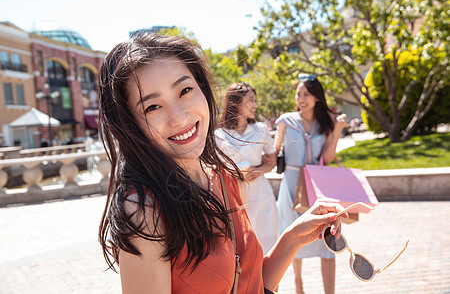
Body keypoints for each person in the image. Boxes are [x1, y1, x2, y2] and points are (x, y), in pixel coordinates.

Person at [98, 34, 348, 293]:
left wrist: (293, 237)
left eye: (185, 91)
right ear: (130, 125)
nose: (180, 117)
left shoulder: (225, 179)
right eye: (152, 107)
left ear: (202, 90)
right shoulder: (144, 211)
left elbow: (250, 283)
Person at [274, 74, 347, 294]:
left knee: (328, 239)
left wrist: (337, 131)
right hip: (290, 186)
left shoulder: (325, 124)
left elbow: (327, 157)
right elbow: (273, 151)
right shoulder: (286, 121)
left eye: (306, 94)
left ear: (316, 97)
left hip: (317, 186)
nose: (301, 98)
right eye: (298, 94)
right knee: (292, 235)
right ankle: (298, 284)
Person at [215, 82, 279, 255]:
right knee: (244, 252)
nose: (255, 105)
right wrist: (234, 174)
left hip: (262, 196)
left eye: (255, 100)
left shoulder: (260, 129)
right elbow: (215, 170)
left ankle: (272, 284)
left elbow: (272, 161)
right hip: (235, 200)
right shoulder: (218, 136)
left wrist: (257, 171)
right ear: (235, 102)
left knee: (269, 248)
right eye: (250, 100)